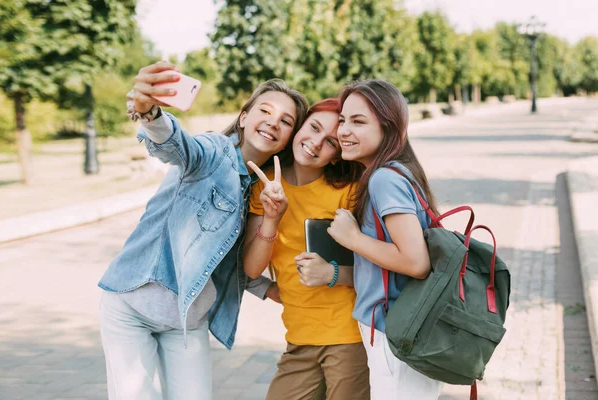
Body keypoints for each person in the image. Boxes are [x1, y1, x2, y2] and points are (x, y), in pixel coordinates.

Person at [97, 60, 308, 400]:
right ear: (244, 117)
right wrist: (149, 113)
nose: (273, 122)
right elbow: (178, 146)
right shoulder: (213, 152)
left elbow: (230, 256)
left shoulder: (263, 190)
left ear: (287, 140)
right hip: (134, 301)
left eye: (286, 121)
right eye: (265, 111)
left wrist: (278, 291)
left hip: (187, 319)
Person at [243, 98, 369, 400]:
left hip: (349, 336)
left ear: (337, 156)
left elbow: (379, 268)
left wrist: (333, 273)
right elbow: (251, 269)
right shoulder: (265, 186)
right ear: (300, 125)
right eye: (313, 128)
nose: (314, 143)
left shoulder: (349, 194)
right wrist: (272, 219)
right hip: (298, 338)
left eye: (330, 142)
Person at [327, 80, 444, 399]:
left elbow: (416, 262)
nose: (344, 131)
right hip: (403, 326)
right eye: (343, 120)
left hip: (394, 329)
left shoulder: (384, 179)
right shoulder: (399, 172)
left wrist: (352, 238)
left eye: (359, 121)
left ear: (389, 128)